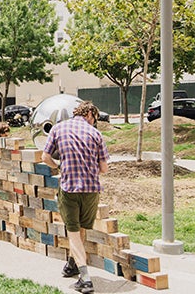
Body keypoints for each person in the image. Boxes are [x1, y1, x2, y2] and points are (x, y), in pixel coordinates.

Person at [41, 101, 109, 294]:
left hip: (69, 188)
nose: (94, 122)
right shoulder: (96, 134)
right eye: (94, 118)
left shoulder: (58, 128)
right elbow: (104, 168)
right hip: (91, 191)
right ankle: (72, 264)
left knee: (72, 232)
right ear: (89, 114)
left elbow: (45, 157)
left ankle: (85, 278)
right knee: (80, 229)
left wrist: (59, 166)